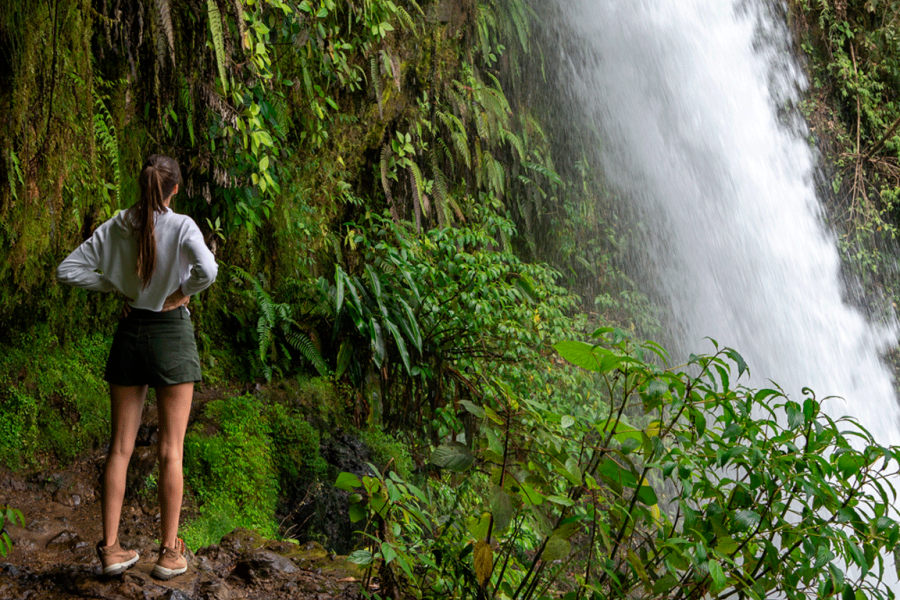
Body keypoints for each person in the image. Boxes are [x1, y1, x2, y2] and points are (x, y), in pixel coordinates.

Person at [56, 154, 218, 580]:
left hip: (130, 335)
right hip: (172, 336)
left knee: (120, 449)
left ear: (142, 183)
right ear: (175, 189)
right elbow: (209, 269)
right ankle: (168, 553)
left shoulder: (117, 226)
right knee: (171, 451)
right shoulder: (183, 226)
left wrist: (113, 284)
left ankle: (110, 549)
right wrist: (182, 292)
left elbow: (67, 270)